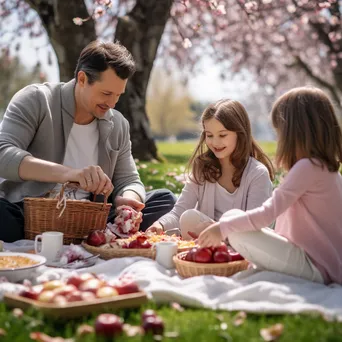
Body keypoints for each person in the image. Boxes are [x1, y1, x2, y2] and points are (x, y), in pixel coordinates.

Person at [0, 40, 176, 242]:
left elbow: (129, 180)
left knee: (165, 200)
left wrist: (128, 200)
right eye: (106, 93)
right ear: (82, 79)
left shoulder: (117, 124)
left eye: (118, 95)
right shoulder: (37, 100)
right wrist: (70, 174)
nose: (111, 103)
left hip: (92, 218)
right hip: (32, 213)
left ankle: (97, 236)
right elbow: (3, 154)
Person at [198, 87, 342, 285]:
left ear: (293, 132)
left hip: (318, 269)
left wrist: (221, 228)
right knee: (233, 220)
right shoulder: (323, 167)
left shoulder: (307, 168)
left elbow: (267, 214)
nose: (278, 138)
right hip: (320, 263)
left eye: (280, 131)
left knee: (233, 224)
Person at [146, 99, 274, 239]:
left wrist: (219, 230)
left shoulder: (257, 174)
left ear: (240, 134)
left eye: (222, 135)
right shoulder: (202, 168)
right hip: (206, 243)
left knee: (199, 218)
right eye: (210, 135)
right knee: (189, 218)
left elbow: (255, 227)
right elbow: (179, 211)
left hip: (244, 242)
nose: (215, 142)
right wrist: (160, 225)